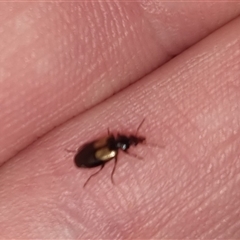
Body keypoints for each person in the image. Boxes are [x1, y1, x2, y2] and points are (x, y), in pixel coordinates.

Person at [0, 2, 240, 238]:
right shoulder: (112, 149)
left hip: (87, 157)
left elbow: (93, 150)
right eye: (131, 141)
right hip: (86, 158)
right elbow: (93, 152)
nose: (130, 140)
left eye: (130, 141)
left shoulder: (110, 143)